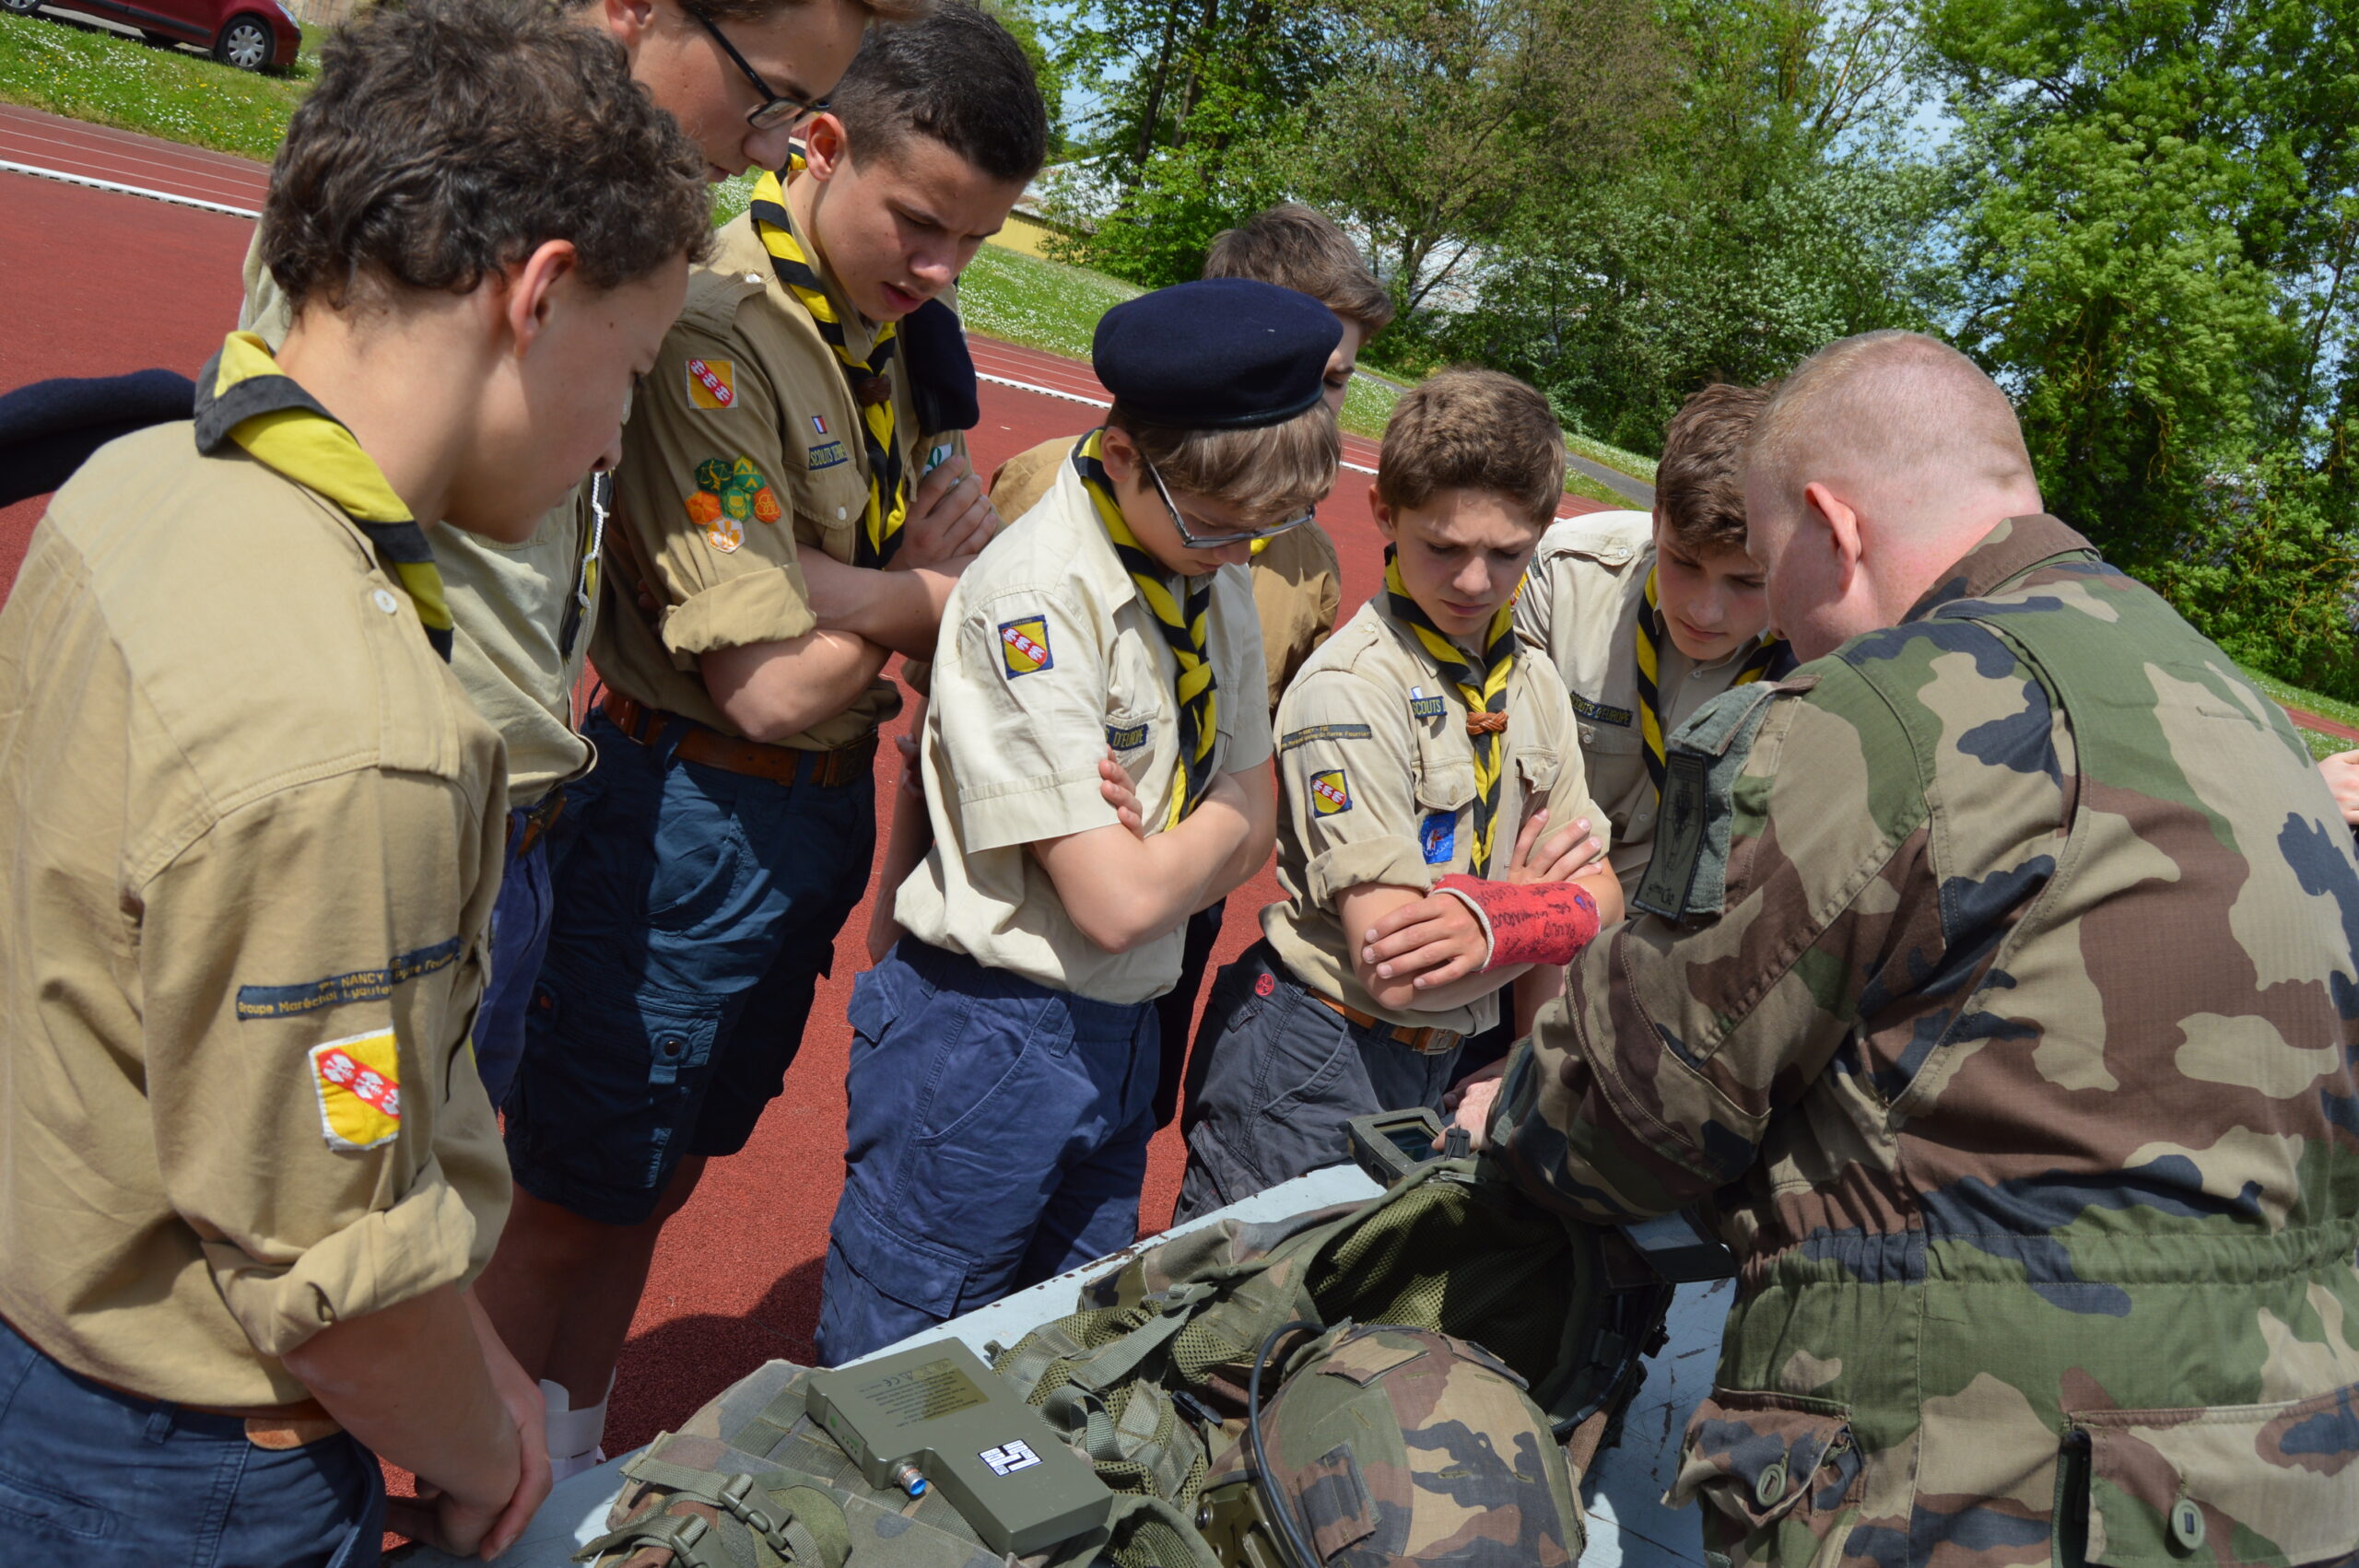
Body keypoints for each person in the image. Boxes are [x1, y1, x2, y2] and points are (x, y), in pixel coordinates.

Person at [0, 1, 710, 1561]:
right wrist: (476, 1441)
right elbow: (327, 1266)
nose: (611, 443)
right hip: (194, 1454)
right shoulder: (359, 725)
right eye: (634, 366)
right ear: (539, 295)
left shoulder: (140, 476)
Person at [1462, 330, 2359, 1562]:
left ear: (1834, 525)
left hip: (1976, 1483)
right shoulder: (2236, 706)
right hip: (2288, 1482)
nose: (1768, 611)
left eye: (1774, 565)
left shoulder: (1882, 714)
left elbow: (1631, 1114)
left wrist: (1516, 1101)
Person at [476, 3, 1046, 1472]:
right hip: (684, 817)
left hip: (800, 820)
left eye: (972, 245)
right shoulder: (725, 324)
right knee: (567, 1197)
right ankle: (454, 1472)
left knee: (655, 1185)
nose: (940, 269)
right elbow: (768, 683)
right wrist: (930, 587)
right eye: (920, 224)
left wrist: (842, 587)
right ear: (824, 143)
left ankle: (572, 1458)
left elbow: (846, 617)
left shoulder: (897, 339)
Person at [236, 0, 912, 1116]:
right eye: (769, 94)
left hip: (517, 810)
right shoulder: (440, 168)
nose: (768, 147)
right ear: (636, 11)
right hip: (386, 823)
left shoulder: (615, 225)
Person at [815, 278, 1337, 1363]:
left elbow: (1258, 814)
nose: (1243, 553)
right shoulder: (1035, 596)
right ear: (1120, 456)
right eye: (1220, 524)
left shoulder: (1203, 567)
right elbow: (1116, 898)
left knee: (1054, 1345)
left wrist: (1185, 838)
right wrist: (1212, 828)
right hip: (989, 1032)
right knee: (905, 1359)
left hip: (1123, 1023)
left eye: (1273, 527)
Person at [980, 201, 1395, 1129]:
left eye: (1336, 382)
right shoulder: (1055, 487)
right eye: (1304, 374)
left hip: (1176, 916)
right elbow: (954, 727)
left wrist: (1206, 839)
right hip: (1018, 930)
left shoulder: (1300, 559)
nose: (1320, 408)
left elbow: (1252, 789)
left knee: (1115, 1145)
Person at [1173, 370, 1623, 1221]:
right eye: (1444, 548)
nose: (1475, 582)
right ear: (1383, 513)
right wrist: (1533, 906)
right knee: (1235, 1322)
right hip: (1320, 1057)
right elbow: (1396, 959)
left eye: (1509, 553)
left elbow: (1605, 901)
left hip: (1460, 1060)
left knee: (1371, 1324)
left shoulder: (1534, 685)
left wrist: (1524, 1036)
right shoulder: (1348, 688)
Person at [1513, 382, 1784, 902]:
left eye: (1748, 582)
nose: (1705, 611)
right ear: (1656, 519)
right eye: (1684, 562)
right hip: (1542, 874)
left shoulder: (1820, 647)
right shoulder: (1565, 570)